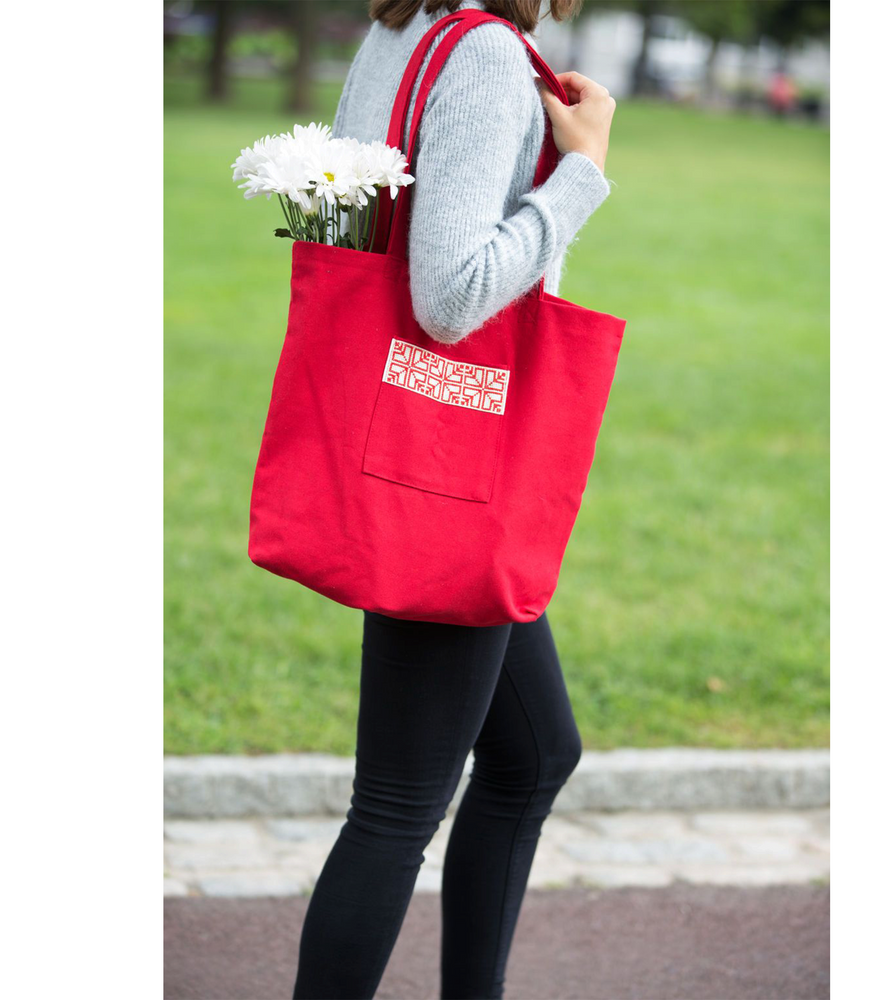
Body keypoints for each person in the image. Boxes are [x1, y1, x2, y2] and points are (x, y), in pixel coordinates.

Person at [292, 2, 616, 997]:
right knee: (395, 806)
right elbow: (449, 291)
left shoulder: (410, 27)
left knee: (532, 754)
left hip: (413, 445)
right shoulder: (477, 54)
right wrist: (581, 179)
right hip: (444, 467)